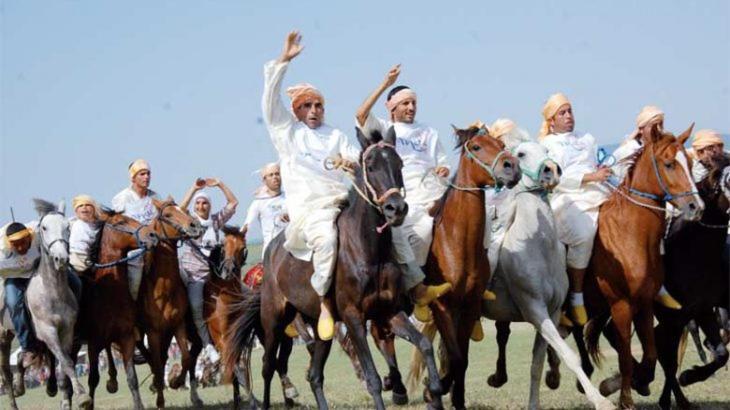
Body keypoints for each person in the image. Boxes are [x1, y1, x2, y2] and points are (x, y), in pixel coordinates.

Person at [260, 31, 449, 340]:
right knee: (328, 238)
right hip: (311, 211)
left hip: (342, 203)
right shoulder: (286, 132)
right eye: (306, 105)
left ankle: (417, 287)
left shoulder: (335, 135)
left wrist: (352, 161)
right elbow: (270, 102)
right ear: (295, 110)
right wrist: (283, 61)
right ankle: (324, 303)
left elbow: (357, 156)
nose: (314, 110)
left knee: (394, 230)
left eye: (318, 105)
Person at [540, 94, 681, 326]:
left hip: (600, 190)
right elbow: (554, 178)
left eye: (570, 111)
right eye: (562, 113)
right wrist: (590, 176)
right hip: (569, 199)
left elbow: (604, 162)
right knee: (584, 234)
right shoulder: (546, 145)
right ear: (551, 121)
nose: (569, 116)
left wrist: (630, 144)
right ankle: (576, 296)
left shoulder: (586, 139)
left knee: (645, 220)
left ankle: (657, 284)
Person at [179, 177, 238, 359]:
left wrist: (220, 184)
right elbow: (179, 209)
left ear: (209, 206)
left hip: (214, 274)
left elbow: (233, 202)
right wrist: (194, 189)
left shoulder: (215, 221)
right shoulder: (189, 221)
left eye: (205, 203)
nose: (201, 205)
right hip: (194, 275)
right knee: (196, 306)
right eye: (198, 203)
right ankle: (207, 345)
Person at [111, 159, 158, 300]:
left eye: (148, 174)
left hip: (154, 242)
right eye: (142, 174)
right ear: (133, 177)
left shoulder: (155, 197)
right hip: (133, 245)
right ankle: (133, 299)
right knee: (135, 258)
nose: (147, 177)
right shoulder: (121, 198)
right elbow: (117, 223)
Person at [1, 221, 42, 364]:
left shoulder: (37, 235)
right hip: (14, 279)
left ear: (29, 237)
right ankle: (28, 347)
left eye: (23, 242)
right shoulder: (1, 252)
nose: (20, 247)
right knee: (13, 303)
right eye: (15, 244)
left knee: (75, 282)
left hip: (37, 273)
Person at [241, 162, 289, 256]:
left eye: (277, 174)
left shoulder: (290, 197)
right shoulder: (258, 203)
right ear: (264, 180)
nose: (275, 177)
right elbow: (247, 225)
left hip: (292, 247)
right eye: (271, 175)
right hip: (271, 252)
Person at [69, 194, 101, 273]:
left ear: (93, 209)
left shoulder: (100, 226)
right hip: (74, 258)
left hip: (93, 260)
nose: (84, 207)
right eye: (81, 205)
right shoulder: (71, 223)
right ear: (76, 211)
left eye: (88, 205)